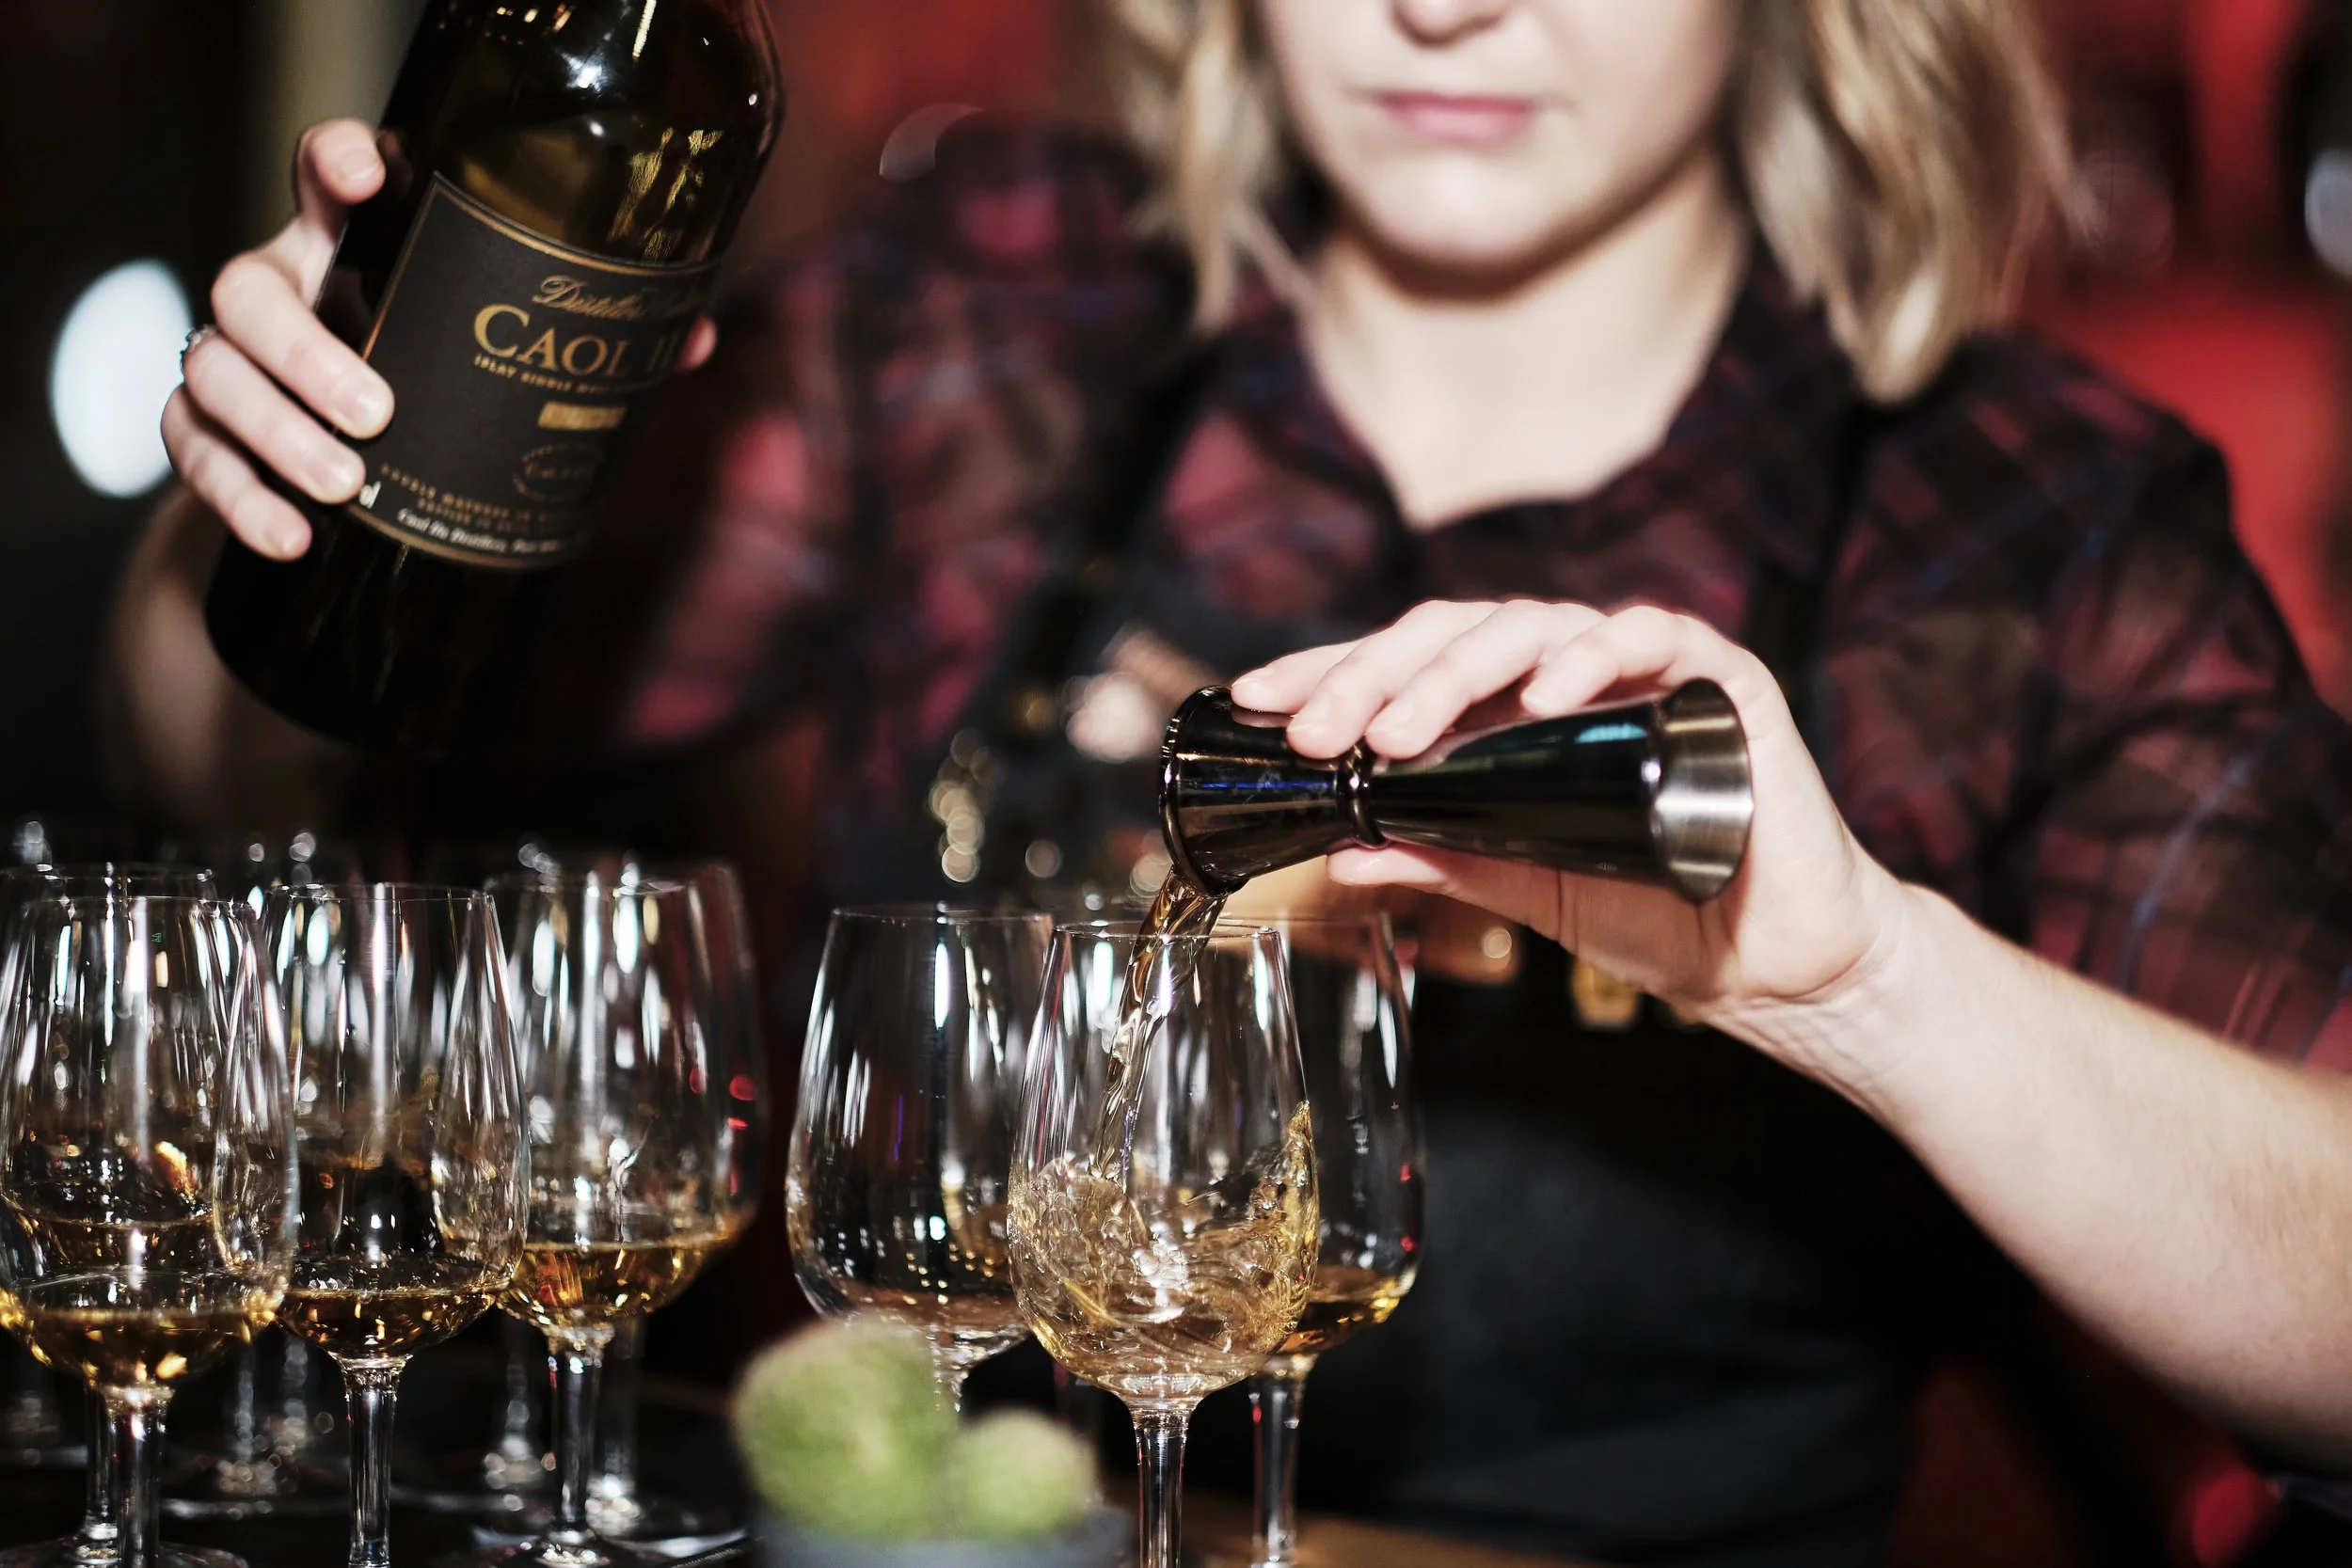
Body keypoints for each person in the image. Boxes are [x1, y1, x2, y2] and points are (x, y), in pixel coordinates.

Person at [114, 0, 2352, 1562]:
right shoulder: (987, 315)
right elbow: (248, 765)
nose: (1431, 6)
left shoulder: (2016, 518)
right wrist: (285, 497)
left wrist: (1869, 979)